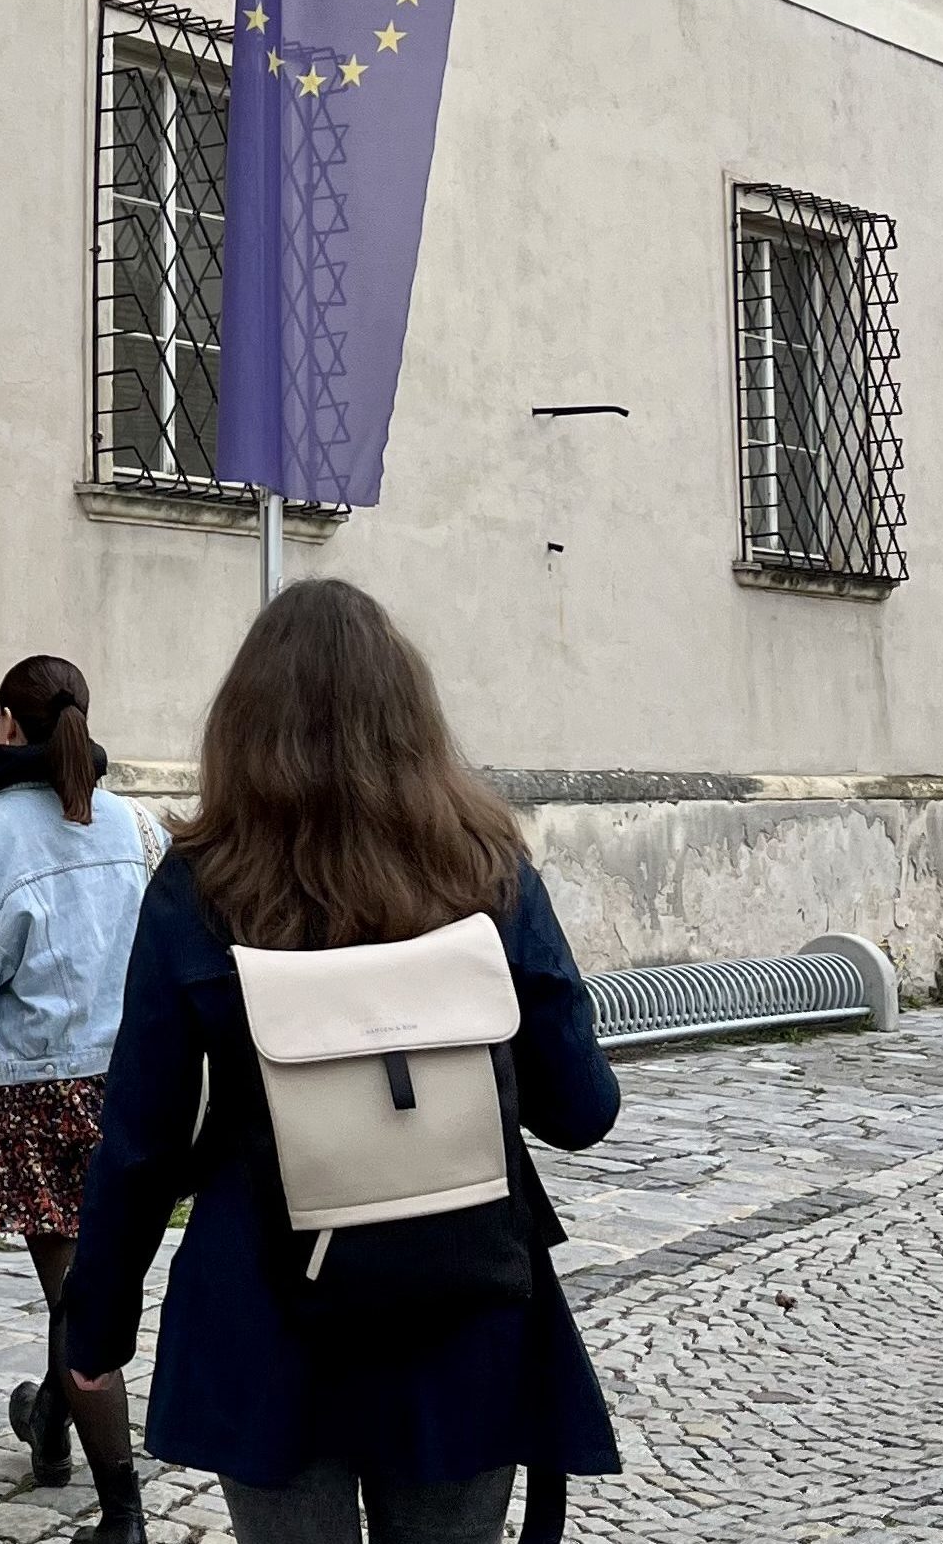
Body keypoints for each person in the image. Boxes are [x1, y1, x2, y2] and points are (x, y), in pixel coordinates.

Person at [62, 579, 622, 1544]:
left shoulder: (201, 885)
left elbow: (142, 1138)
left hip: (268, 1304)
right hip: (461, 1296)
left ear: (241, 726)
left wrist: (98, 1325)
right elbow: (581, 1106)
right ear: (414, 716)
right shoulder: (487, 867)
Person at [0, 654, 165, 1544]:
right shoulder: (131, 822)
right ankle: (50, 1419)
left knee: (80, 1298)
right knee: (82, 1286)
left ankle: (121, 1511)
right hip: (126, 1086)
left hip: (39, 1088)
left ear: (7, 722)